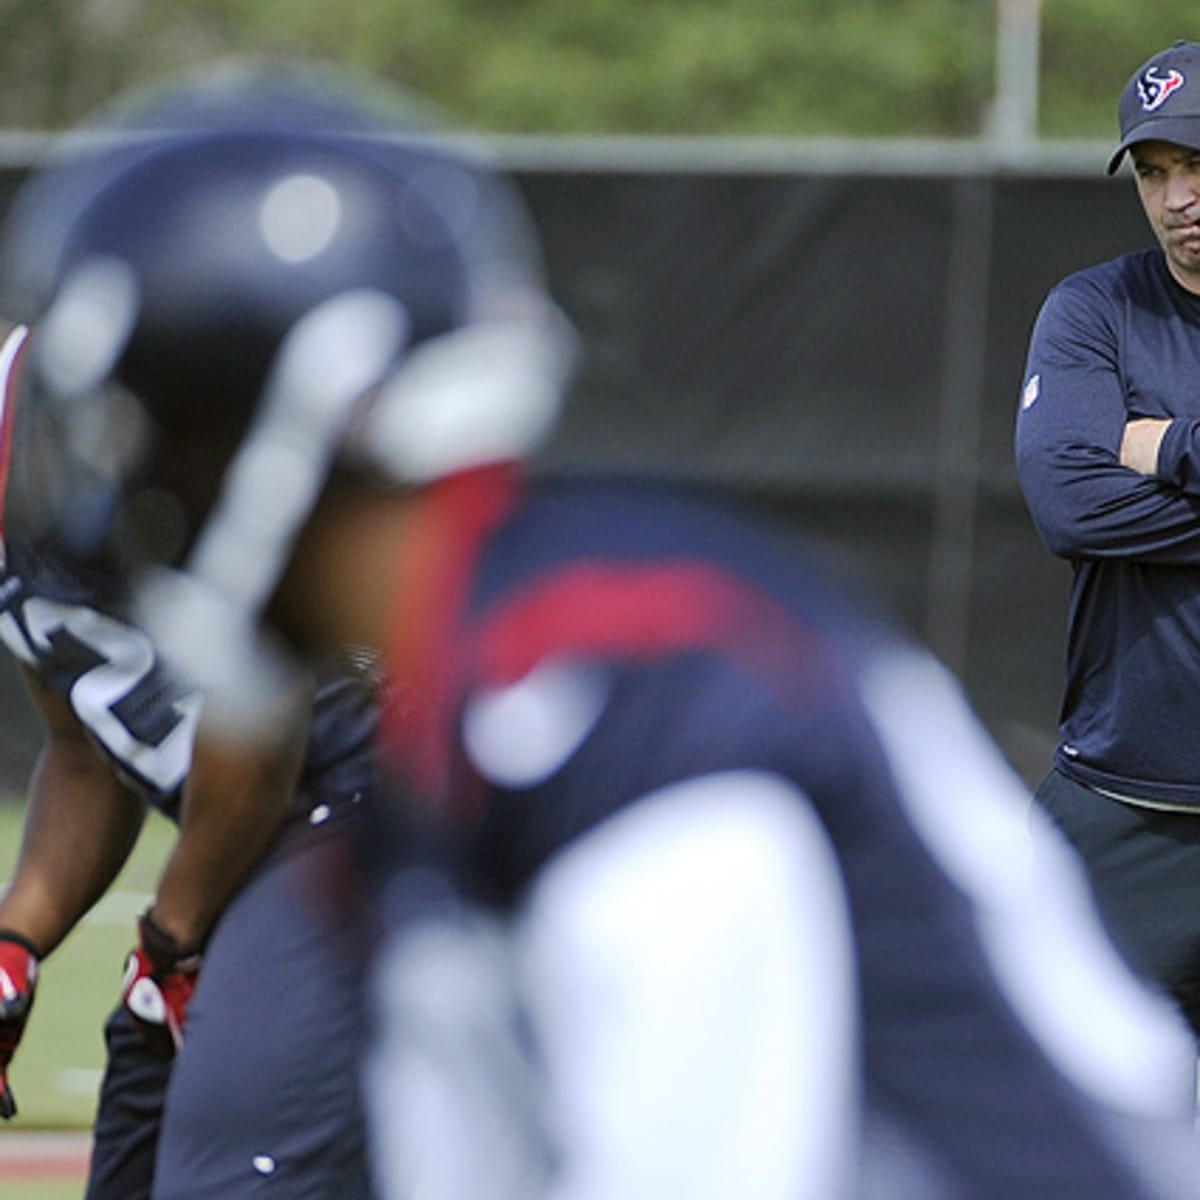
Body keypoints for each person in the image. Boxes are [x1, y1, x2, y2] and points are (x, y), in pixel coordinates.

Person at [6, 60, 1200, 1200]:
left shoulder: (624, 699)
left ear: (291, 425)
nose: (126, 514)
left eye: (151, 439)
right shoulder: (464, 707)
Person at [0, 334, 381, 1192]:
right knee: (140, 1134)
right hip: (250, 850)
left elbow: (261, 708)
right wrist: (14, 941)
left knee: (231, 1169)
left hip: (359, 816)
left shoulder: (81, 424)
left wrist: (175, 934)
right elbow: (86, 747)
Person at [1016, 38, 1200, 1049]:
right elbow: (1072, 509)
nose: (1178, 198)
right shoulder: (1096, 310)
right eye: (1156, 171)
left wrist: (1163, 444)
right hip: (1122, 804)